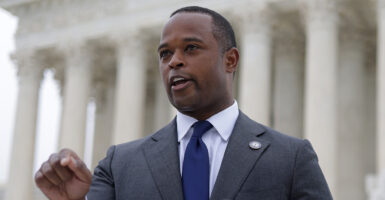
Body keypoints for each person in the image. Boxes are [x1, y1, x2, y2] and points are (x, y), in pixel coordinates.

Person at [34, 6, 332, 200]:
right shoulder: (120, 166)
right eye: (165, 54)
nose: (174, 61)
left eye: (191, 48)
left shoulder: (290, 159)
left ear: (230, 60)